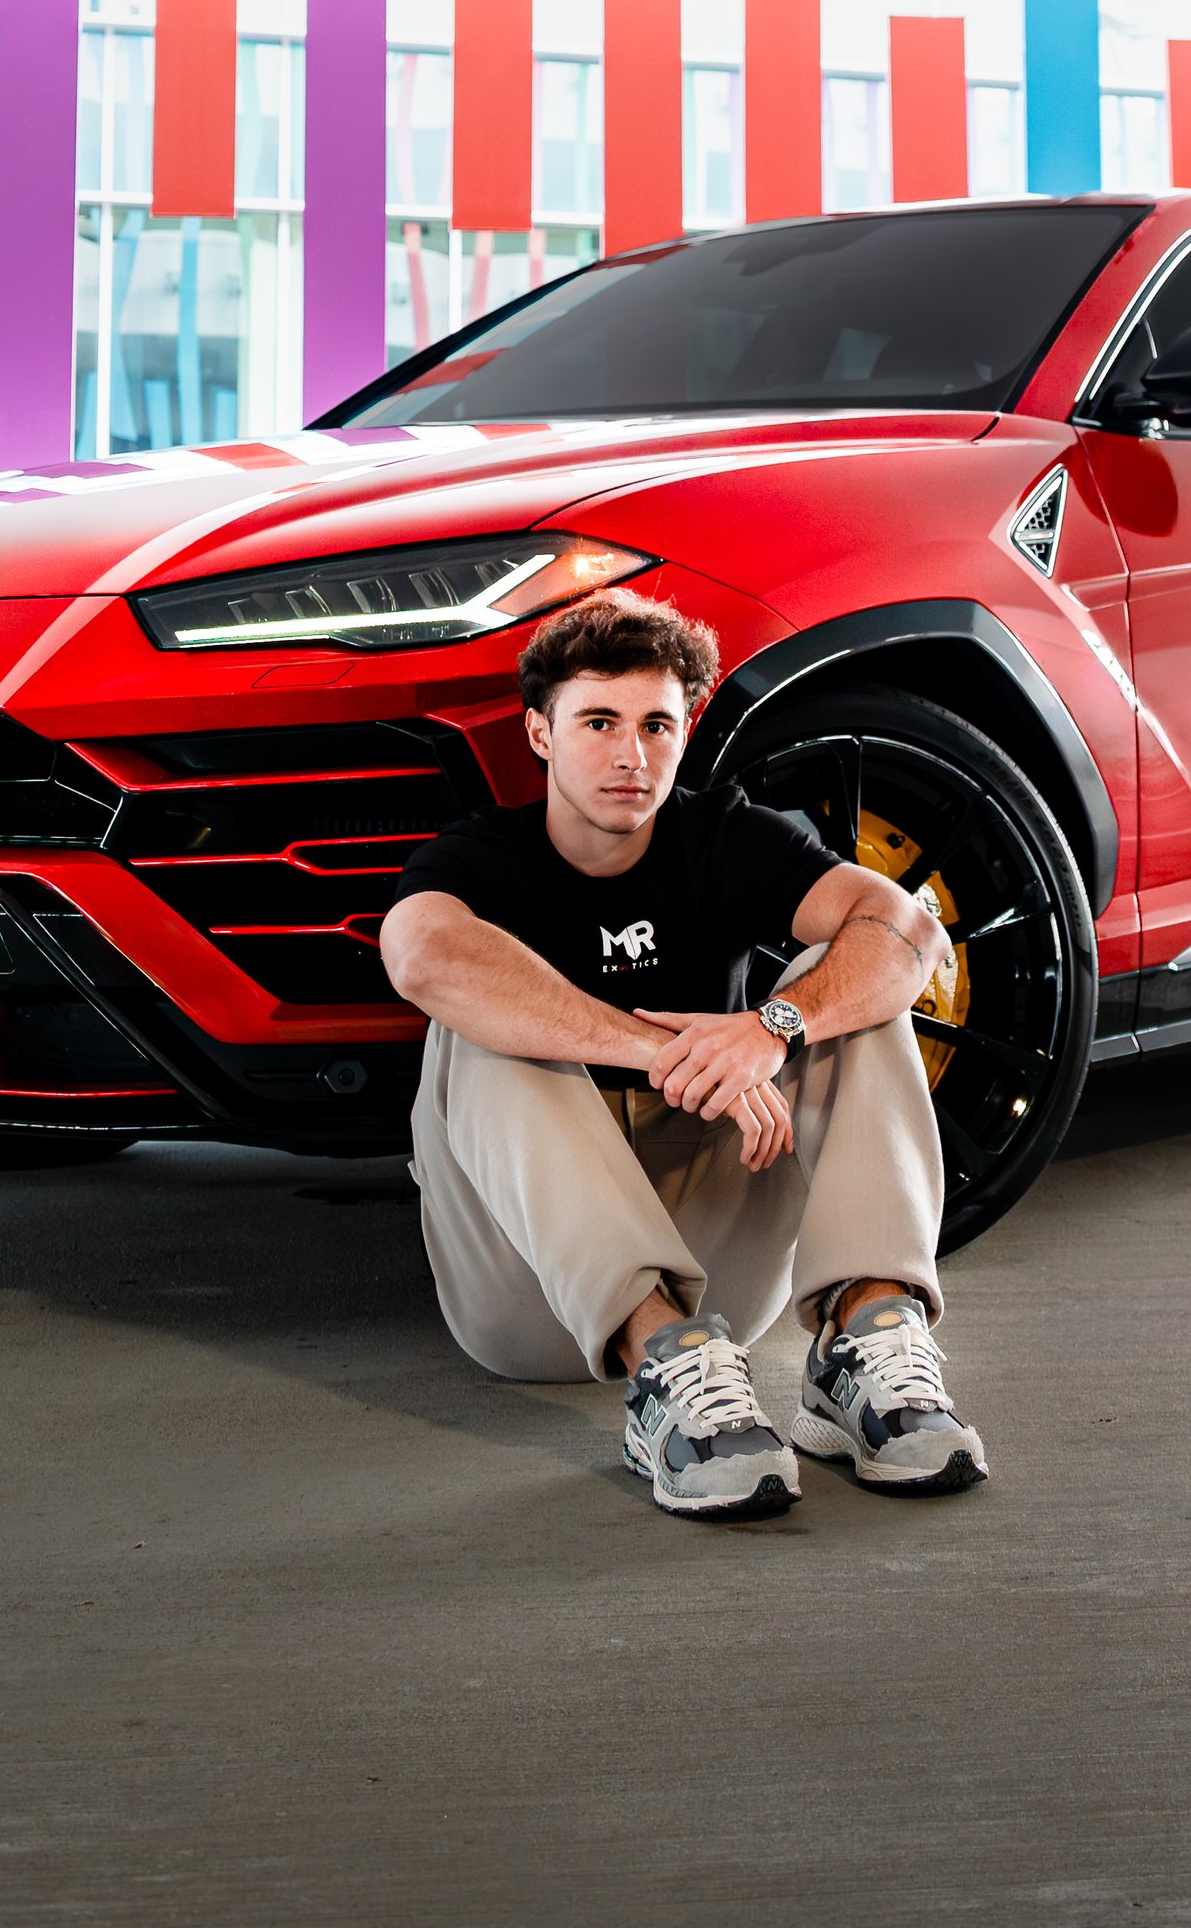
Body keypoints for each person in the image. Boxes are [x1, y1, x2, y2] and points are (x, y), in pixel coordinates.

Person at [380, 588, 989, 1520]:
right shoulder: (480, 859)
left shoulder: (727, 834)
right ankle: (661, 1369)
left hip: (720, 1278)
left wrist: (775, 1026)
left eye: (656, 724)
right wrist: (651, 1043)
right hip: (528, 1292)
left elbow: (909, 933)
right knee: (479, 1011)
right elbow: (420, 953)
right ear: (540, 733)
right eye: (598, 721)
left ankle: (864, 1342)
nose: (631, 754)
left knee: (853, 976)